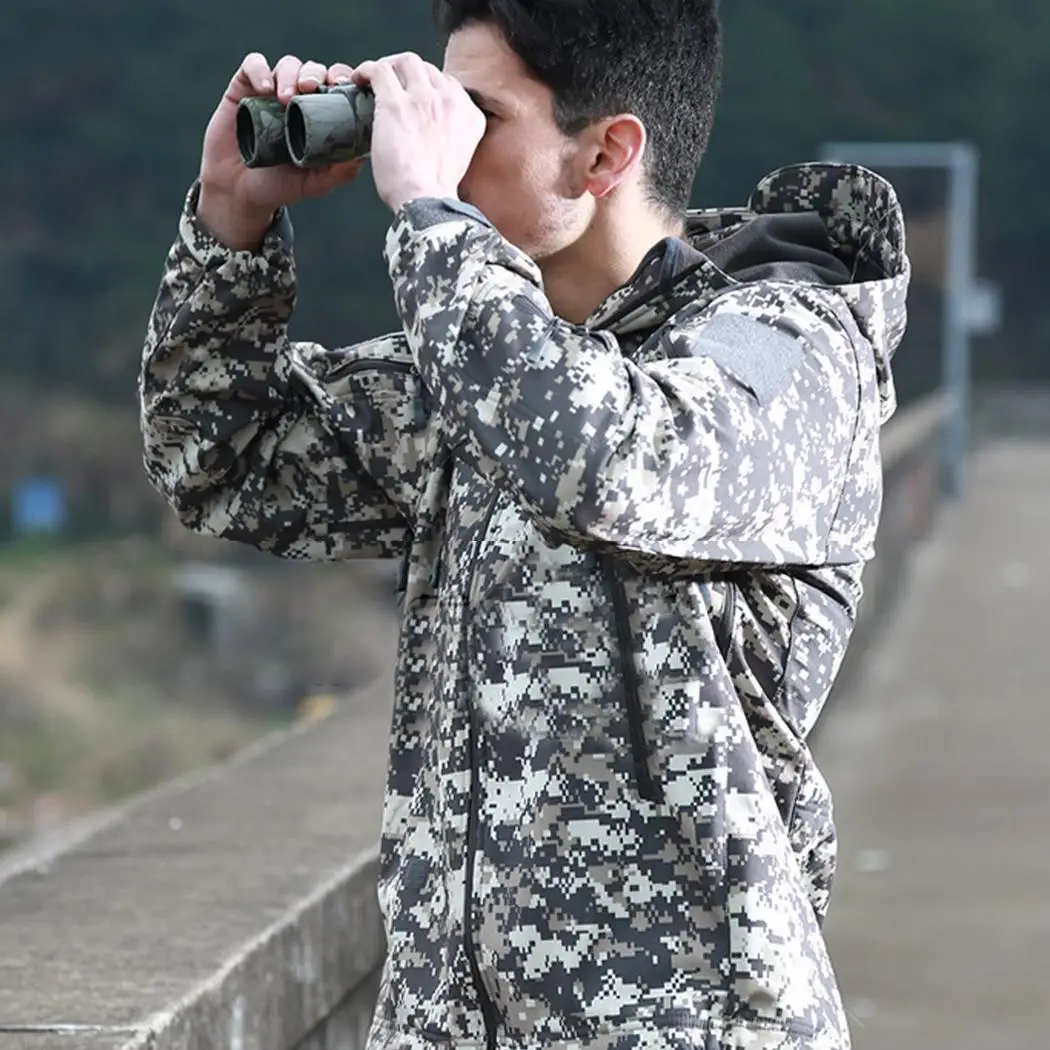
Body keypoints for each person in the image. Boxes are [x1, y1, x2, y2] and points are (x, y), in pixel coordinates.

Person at [139, 0, 909, 1046]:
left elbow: (604, 457)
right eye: (434, 114)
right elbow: (222, 461)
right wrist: (232, 220)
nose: (439, 153)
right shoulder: (495, 357)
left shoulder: (789, 357)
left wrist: (430, 220)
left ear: (605, 155)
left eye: (477, 117)